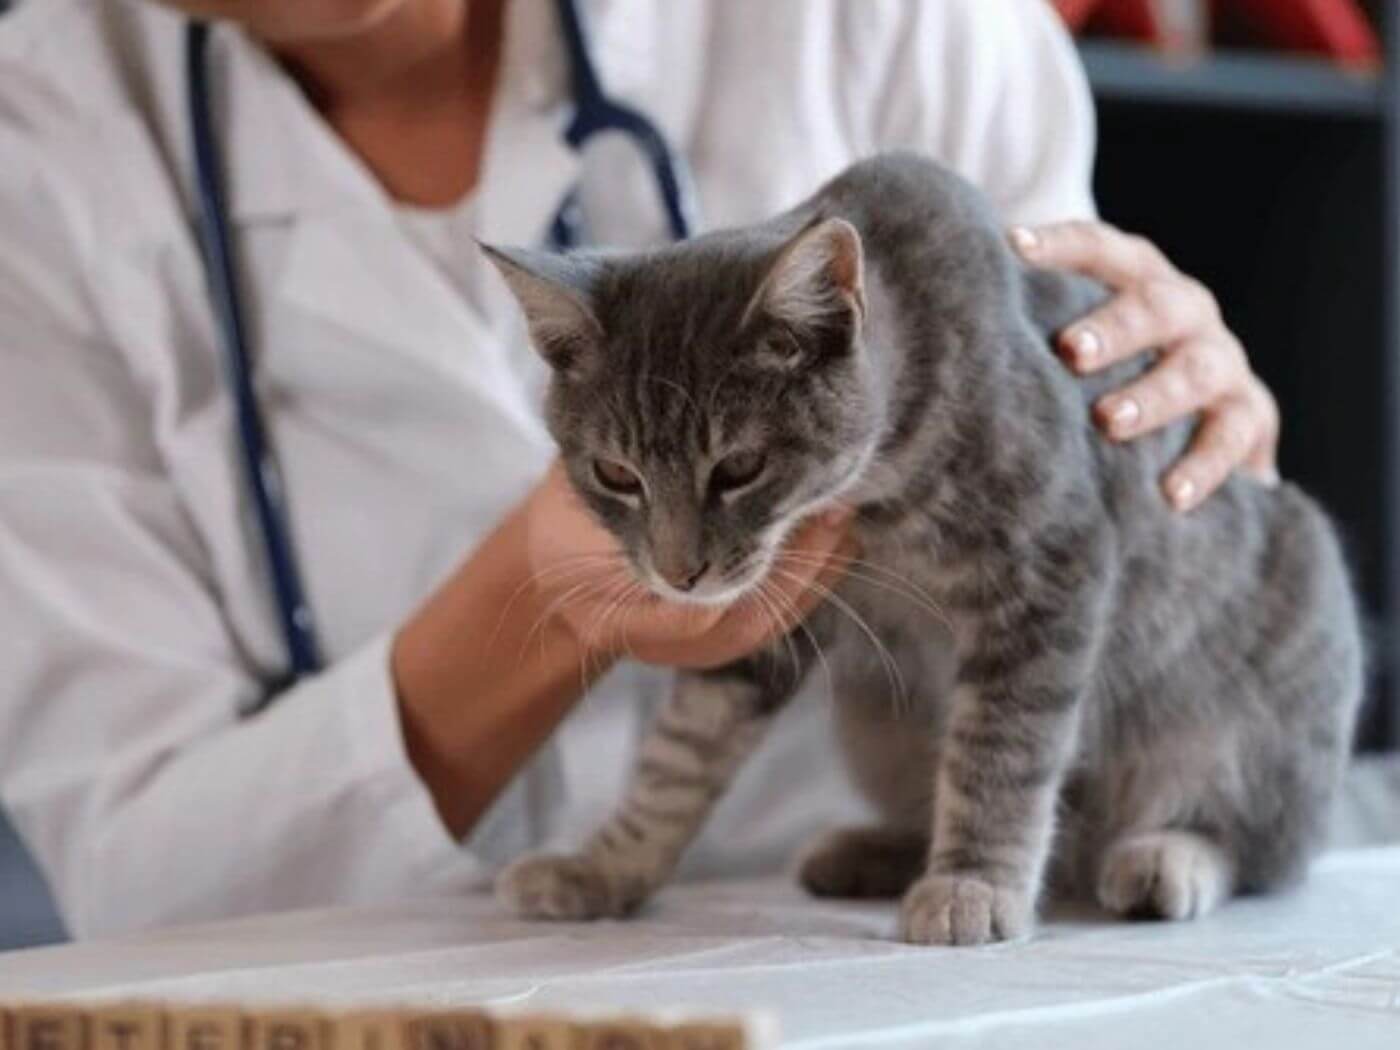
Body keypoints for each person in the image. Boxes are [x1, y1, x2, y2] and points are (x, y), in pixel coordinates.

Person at [0, 0, 1279, 939]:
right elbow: (134, 879)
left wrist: (1184, 417)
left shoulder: (897, 20)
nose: (672, 549)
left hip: (878, 959)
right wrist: (539, 600)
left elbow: (1065, 540)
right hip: (377, 969)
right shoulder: (42, 154)